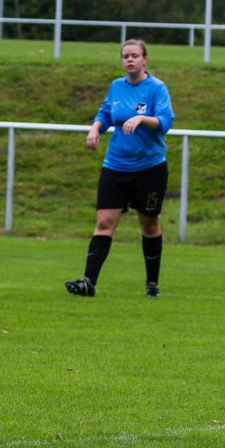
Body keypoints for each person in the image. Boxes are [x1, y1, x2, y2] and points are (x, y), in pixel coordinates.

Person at [64, 39, 174, 298]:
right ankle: (88, 283)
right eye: (126, 56)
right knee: (104, 221)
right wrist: (94, 129)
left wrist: (141, 118)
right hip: (115, 166)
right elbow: (104, 114)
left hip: (150, 168)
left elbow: (165, 122)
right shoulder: (116, 86)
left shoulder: (156, 88)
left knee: (148, 224)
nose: (130, 60)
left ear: (145, 59)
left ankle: (152, 284)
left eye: (135, 55)